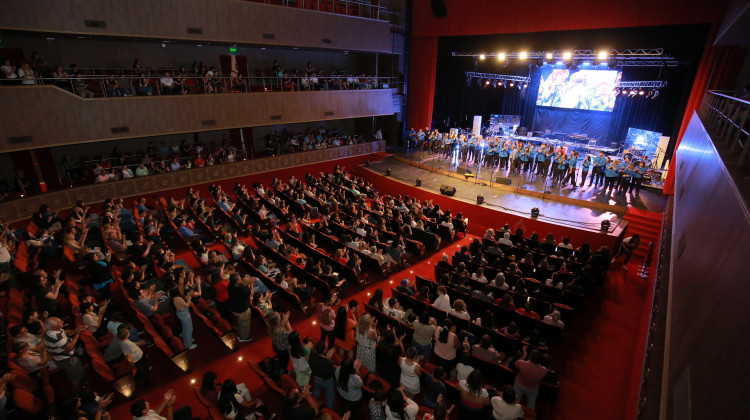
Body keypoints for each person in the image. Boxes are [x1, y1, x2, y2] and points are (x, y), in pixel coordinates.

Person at [43, 317, 86, 390]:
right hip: (66, 359)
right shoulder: (55, 336)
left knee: (79, 361)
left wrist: (76, 330)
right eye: (60, 322)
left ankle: (80, 369)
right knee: (74, 376)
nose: (63, 321)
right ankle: (79, 390)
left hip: (70, 354)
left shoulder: (54, 330)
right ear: (53, 327)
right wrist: (78, 334)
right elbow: (69, 347)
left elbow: (65, 332)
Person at [130, 389, 200, 420]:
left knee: (186, 408)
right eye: (146, 404)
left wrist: (165, 401)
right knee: (197, 419)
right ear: (144, 411)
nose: (148, 403)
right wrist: (170, 406)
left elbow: (155, 412)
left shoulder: (137, 413)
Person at [309, 341, 337, 409]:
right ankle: (328, 409)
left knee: (317, 390)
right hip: (326, 381)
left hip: (316, 377)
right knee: (330, 395)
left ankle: (313, 402)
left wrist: (326, 358)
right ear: (324, 350)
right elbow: (332, 372)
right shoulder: (327, 362)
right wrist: (329, 360)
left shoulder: (311, 353)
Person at [227, 273, 253, 342]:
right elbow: (251, 292)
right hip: (242, 310)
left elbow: (240, 286)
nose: (241, 279)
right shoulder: (242, 290)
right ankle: (244, 338)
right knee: (245, 324)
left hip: (234, 308)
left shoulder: (230, 285)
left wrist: (245, 282)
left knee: (240, 321)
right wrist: (251, 283)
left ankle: (240, 333)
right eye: (239, 279)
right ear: (237, 281)